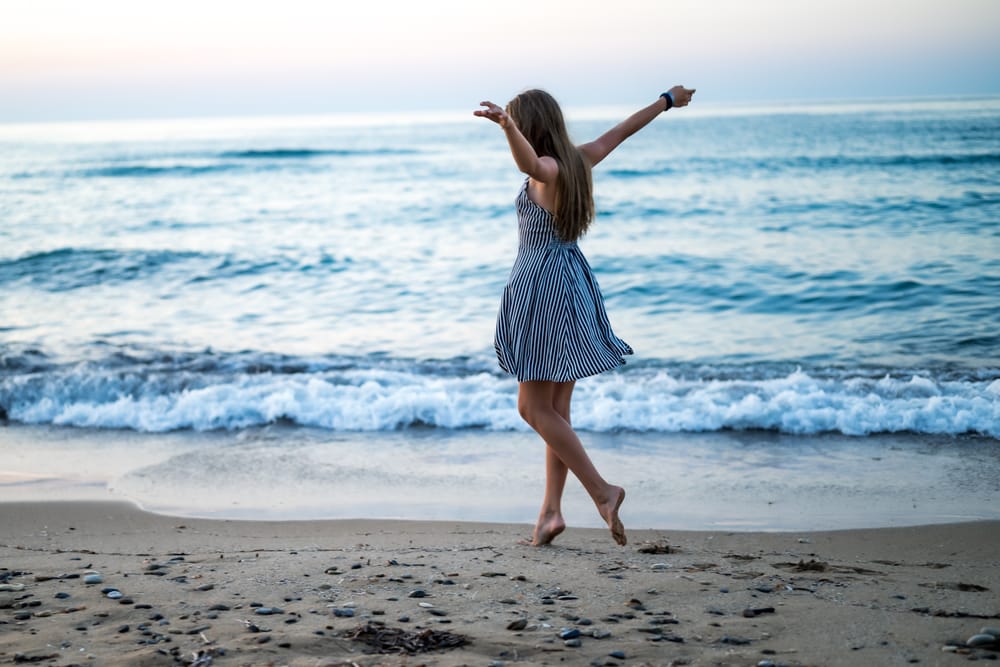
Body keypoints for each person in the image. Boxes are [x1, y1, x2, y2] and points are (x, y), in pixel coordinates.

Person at [475, 86, 695, 547]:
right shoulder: (579, 159)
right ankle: (550, 514)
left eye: (519, 122)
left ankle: (602, 491)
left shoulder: (549, 169)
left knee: (532, 408)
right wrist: (666, 102)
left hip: (542, 287)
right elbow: (621, 132)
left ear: (530, 127)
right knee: (557, 410)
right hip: (573, 280)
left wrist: (506, 127)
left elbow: (528, 165)